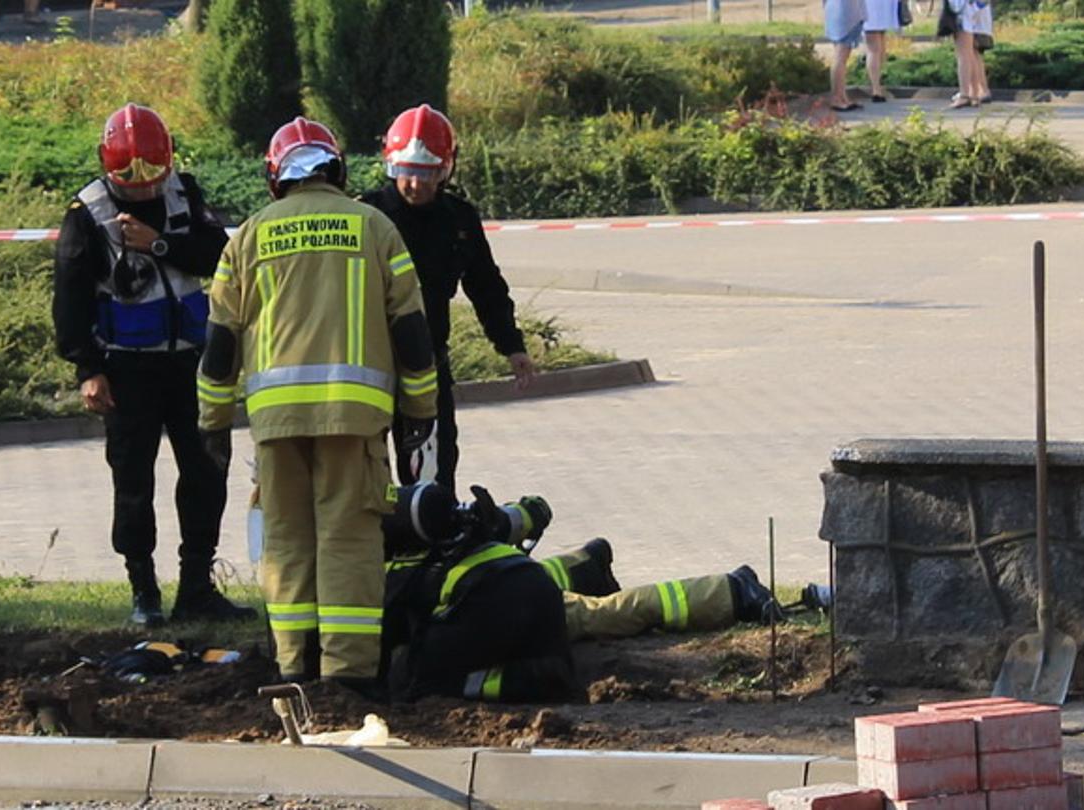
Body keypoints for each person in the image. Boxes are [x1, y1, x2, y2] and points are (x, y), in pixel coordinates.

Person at [198, 116, 439, 691]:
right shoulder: (374, 227)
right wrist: (420, 414)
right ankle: (348, 676)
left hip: (275, 422)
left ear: (274, 176)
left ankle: (294, 665)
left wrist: (211, 423)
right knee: (349, 538)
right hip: (352, 419)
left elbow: (220, 343)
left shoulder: (249, 236)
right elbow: (411, 332)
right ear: (336, 169)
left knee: (285, 539)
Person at [52, 103, 254, 627]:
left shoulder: (183, 193)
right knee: (133, 481)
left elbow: (219, 255)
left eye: (151, 174)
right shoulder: (87, 213)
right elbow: (69, 301)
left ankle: (197, 586)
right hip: (125, 371)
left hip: (191, 364)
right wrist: (87, 370)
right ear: (107, 166)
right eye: (128, 176)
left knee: (207, 472)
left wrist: (158, 243)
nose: (141, 187)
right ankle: (143, 589)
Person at [380, 482, 802, 703]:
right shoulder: (445, 530)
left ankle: (729, 591)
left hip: (496, 602)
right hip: (507, 582)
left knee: (606, 614)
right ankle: (585, 564)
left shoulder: (386, 567)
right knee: (544, 584)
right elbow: (528, 514)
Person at [358, 105, 534, 490]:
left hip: (428, 365)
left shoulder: (458, 219)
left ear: (446, 170)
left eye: (426, 174)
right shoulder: (366, 216)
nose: (415, 185)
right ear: (391, 165)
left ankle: (432, 540)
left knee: (434, 473)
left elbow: (486, 286)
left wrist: (511, 345)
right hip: (370, 367)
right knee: (365, 475)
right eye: (407, 173)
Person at [943, 0, 993, 109]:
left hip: (964, 8)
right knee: (973, 52)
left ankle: (965, 94)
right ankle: (975, 93)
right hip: (979, 6)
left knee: (964, 53)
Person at [823, 0, 869, 112]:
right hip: (847, 15)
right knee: (840, 58)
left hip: (837, 12)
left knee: (841, 58)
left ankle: (843, 97)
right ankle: (837, 99)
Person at [862, 0, 900, 103]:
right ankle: (876, 89)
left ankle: (876, 85)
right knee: (875, 47)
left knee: (878, 46)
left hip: (876, 7)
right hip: (874, 8)